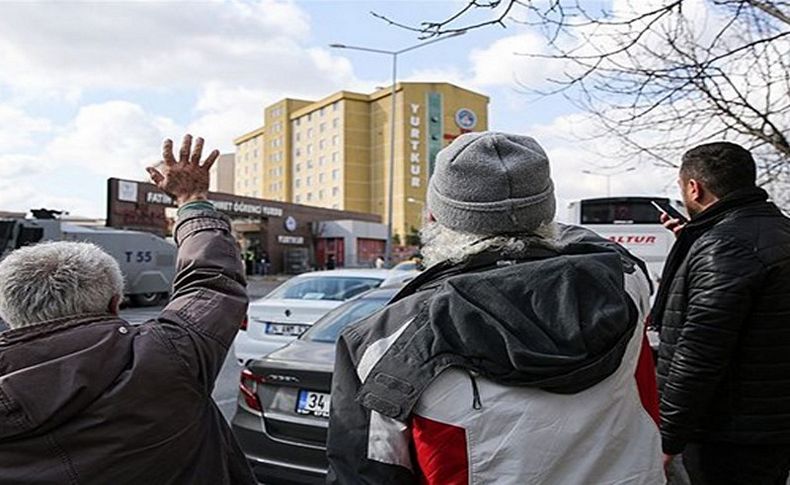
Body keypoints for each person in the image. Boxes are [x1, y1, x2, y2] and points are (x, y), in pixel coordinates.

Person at [326, 132, 664, 484]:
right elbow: (597, 245)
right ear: (547, 210)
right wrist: (523, 214)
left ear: (435, 218)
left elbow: (366, 475)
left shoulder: (381, 345)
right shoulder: (626, 283)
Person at [0, 135, 256, 484]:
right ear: (113, 303)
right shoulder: (166, 355)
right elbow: (211, 281)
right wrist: (191, 201)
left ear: (10, 315)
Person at [652, 142, 790, 483]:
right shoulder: (775, 230)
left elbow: (700, 352)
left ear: (694, 188)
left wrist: (668, 436)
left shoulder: (726, 246)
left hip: (728, 434)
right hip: (771, 424)